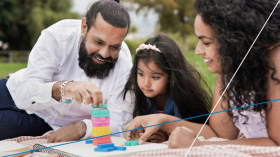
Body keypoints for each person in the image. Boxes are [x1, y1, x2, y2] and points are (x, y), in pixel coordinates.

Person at [123, 0, 280, 148]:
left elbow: (276, 145)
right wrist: (163, 120)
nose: (198, 51)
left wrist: (201, 145)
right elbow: (219, 135)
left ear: (234, 40)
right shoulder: (227, 71)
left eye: (206, 43)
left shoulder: (275, 62)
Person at [0, 0, 132, 142]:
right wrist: (63, 88)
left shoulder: (124, 67)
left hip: (46, 123)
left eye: (114, 47)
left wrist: (84, 127)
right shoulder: (57, 36)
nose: (105, 54)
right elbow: (23, 95)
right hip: (12, 90)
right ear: (84, 27)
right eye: (99, 42)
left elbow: (119, 125)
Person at [122, 34, 212, 143]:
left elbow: (204, 134)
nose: (146, 83)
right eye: (140, 74)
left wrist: (167, 138)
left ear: (171, 76)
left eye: (155, 77)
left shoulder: (183, 98)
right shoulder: (135, 96)